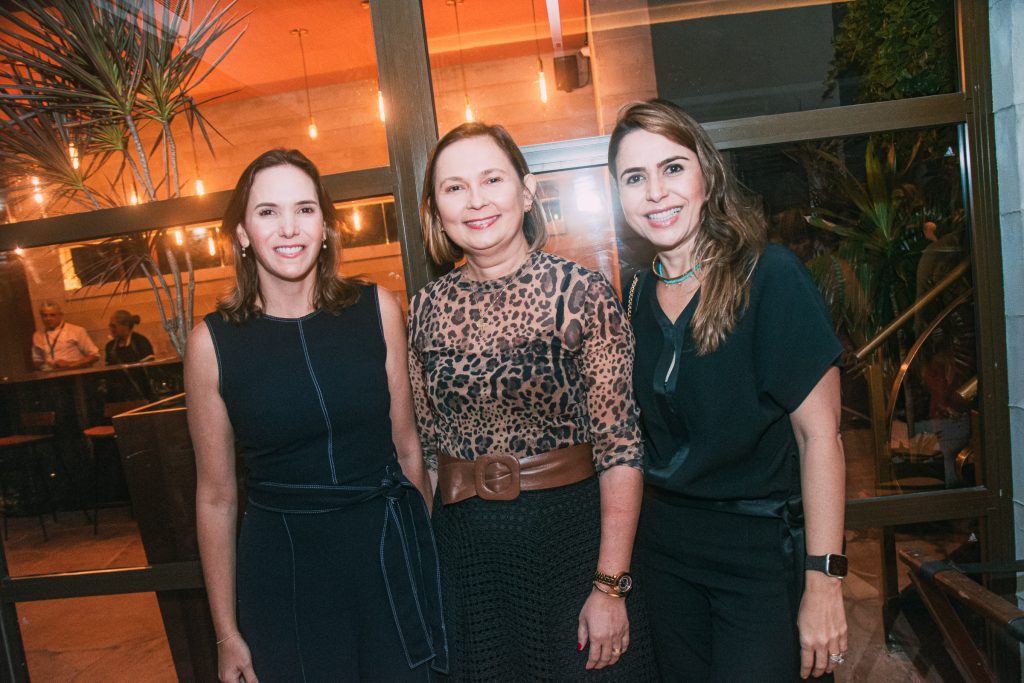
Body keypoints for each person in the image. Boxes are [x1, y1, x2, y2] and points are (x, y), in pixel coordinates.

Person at [608, 99, 848, 681]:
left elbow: (820, 437)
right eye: (634, 178)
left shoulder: (770, 276)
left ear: (706, 174)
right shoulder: (635, 296)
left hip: (759, 556)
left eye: (672, 168)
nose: (655, 192)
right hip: (664, 558)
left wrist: (824, 578)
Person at [408, 122, 656, 681]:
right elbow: (425, 451)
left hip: (570, 550)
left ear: (525, 192)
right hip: (467, 563)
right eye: (454, 187)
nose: (476, 201)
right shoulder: (424, 309)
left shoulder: (583, 292)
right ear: (436, 209)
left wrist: (610, 586)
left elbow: (621, 450)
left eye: (491, 179)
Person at [186, 149, 446, 682]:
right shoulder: (211, 343)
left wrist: (425, 570)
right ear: (241, 233)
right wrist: (226, 634)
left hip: (386, 560)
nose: (289, 227)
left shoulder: (377, 309)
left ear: (326, 226)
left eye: (304, 209)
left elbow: (408, 450)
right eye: (267, 212)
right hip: (284, 571)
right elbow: (215, 495)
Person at [31, 302, 100, 370]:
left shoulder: (76, 330)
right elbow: (37, 360)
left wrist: (71, 364)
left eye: (52, 315)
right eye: (45, 315)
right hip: (50, 376)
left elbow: (95, 355)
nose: (48, 318)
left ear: (60, 316)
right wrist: (46, 366)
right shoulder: (37, 335)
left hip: (74, 374)